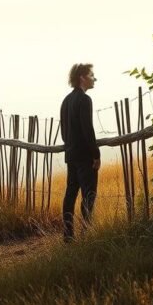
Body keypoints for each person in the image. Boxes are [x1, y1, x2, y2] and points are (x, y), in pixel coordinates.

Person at [60, 62, 100, 241]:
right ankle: (86, 233)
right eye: (92, 75)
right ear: (82, 77)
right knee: (88, 194)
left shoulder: (66, 100)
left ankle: (68, 235)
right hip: (84, 156)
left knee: (70, 193)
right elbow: (87, 129)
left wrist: (70, 146)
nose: (95, 79)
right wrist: (96, 154)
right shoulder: (84, 99)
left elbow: (64, 130)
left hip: (71, 154)